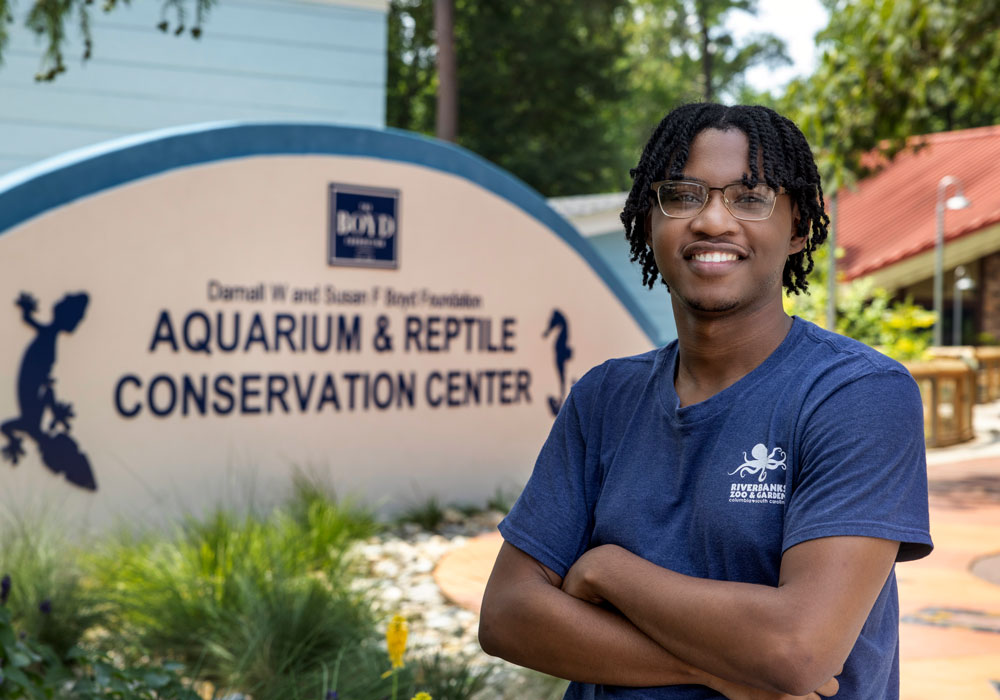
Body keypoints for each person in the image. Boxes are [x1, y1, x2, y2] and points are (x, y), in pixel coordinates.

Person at [478, 103, 933, 700]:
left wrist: (607, 571)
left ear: (798, 228)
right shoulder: (605, 397)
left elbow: (798, 649)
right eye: (683, 194)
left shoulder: (855, 395)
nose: (713, 220)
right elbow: (507, 614)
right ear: (648, 222)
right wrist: (710, 669)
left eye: (750, 197)